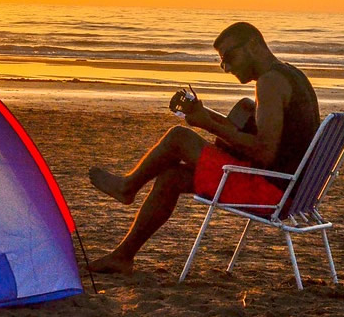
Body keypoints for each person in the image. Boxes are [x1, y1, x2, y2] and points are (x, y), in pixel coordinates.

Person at [86, 21, 320, 274]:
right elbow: (260, 139)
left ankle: (127, 187)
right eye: (221, 61)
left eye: (229, 56)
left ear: (253, 44)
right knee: (172, 177)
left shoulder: (270, 82)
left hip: (273, 194)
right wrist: (204, 115)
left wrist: (207, 124)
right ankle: (122, 257)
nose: (226, 67)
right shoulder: (291, 75)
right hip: (294, 192)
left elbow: (264, 152)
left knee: (179, 138)